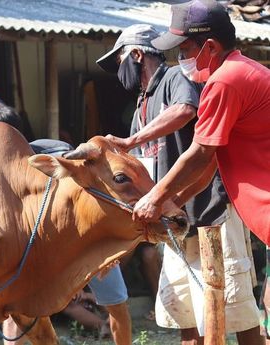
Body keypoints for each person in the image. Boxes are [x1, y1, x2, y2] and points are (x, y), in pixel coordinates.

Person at [98, 21, 262, 344]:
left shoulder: (175, 77)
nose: (119, 74)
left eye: (119, 63)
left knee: (235, 311)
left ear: (136, 55)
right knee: (185, 314)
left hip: (209, 211)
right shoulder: (140, 110)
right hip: (174, 222)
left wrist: (132, 140)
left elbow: (186, 110)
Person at [0, 106, 133, 345]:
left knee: (116, 304)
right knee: (15, 302)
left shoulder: (52, 154)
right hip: (43, 246)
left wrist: (108, 246)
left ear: (9, 135)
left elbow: (99, 197)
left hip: (89, 237)